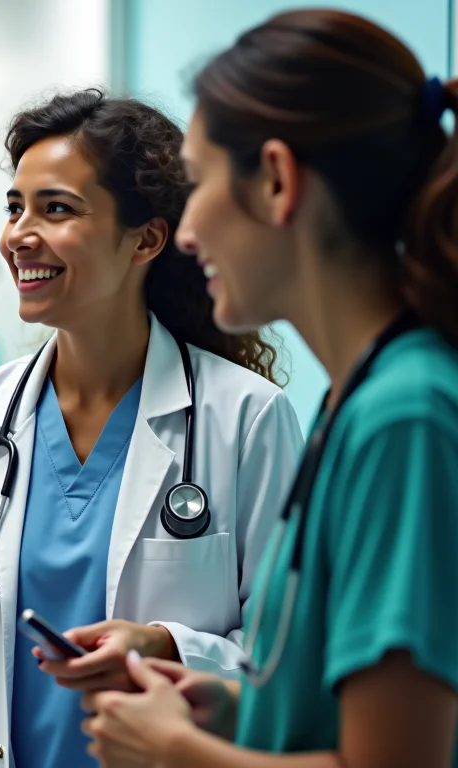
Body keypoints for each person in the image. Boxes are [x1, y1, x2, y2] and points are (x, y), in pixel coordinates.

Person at [0, 90, 307, 768]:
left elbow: (287, 656)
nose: (19, 234)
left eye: (57, 208)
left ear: (147, 238)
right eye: (15, 206)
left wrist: (169, 646)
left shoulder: (245, 419)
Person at [81, 9, 458, 767]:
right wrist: (228, 706)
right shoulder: (352, 400)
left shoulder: (405, 417)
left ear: (278, 181)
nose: (184, 235)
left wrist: (176, 752)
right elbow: (330, 708)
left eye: (199, 184)